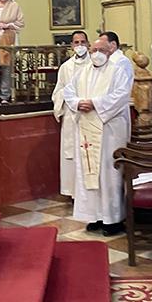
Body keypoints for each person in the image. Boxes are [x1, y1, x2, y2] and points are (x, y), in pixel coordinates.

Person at [63, 36, 132, 236]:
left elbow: (121, 95)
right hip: (86, 129)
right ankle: (94, 216)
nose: (96, 54)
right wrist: (77, 103)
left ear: (110, 52)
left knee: (109, 175)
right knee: (88, 172)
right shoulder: (82, 72)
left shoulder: (117, 71)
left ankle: (112, 219)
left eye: (101, 50)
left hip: (109, 129)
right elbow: (69, 92)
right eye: (93, 50)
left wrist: (95, 104)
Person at [52, 30, 90, 197]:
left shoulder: (94, 64)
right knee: (72, 154)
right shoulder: (65, 67)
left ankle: (88, 193)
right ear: (71, 45)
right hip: (71, 116)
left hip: (90, 114)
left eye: (83, 42)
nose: (80, 46)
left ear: (88, 44)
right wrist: (70, 99)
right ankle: (74, 194)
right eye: (76, 42)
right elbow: (58, 90)